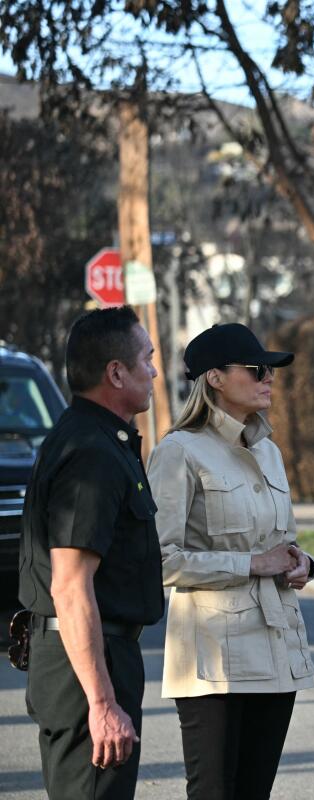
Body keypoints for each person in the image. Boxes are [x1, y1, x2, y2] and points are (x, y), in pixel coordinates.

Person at [146, 323, 314, 800]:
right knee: (214, 793)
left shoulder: (269, 450)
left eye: (271, 370)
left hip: (277, 649)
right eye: (257, 369)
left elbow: (282, 542)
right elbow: (159, 560)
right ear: (215, 378)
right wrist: (250, 564)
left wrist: (301, 562)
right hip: (212, 662)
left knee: (254, 792)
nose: (269, 378)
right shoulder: (178, 451)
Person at [18, 306, 165, 799]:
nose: (154, 371)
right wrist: (101, 703)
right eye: (147, 359)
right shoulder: (92, 453)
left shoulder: (101, 440)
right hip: (86, 667)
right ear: (116, 372)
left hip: (96, 657)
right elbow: (70, 584)